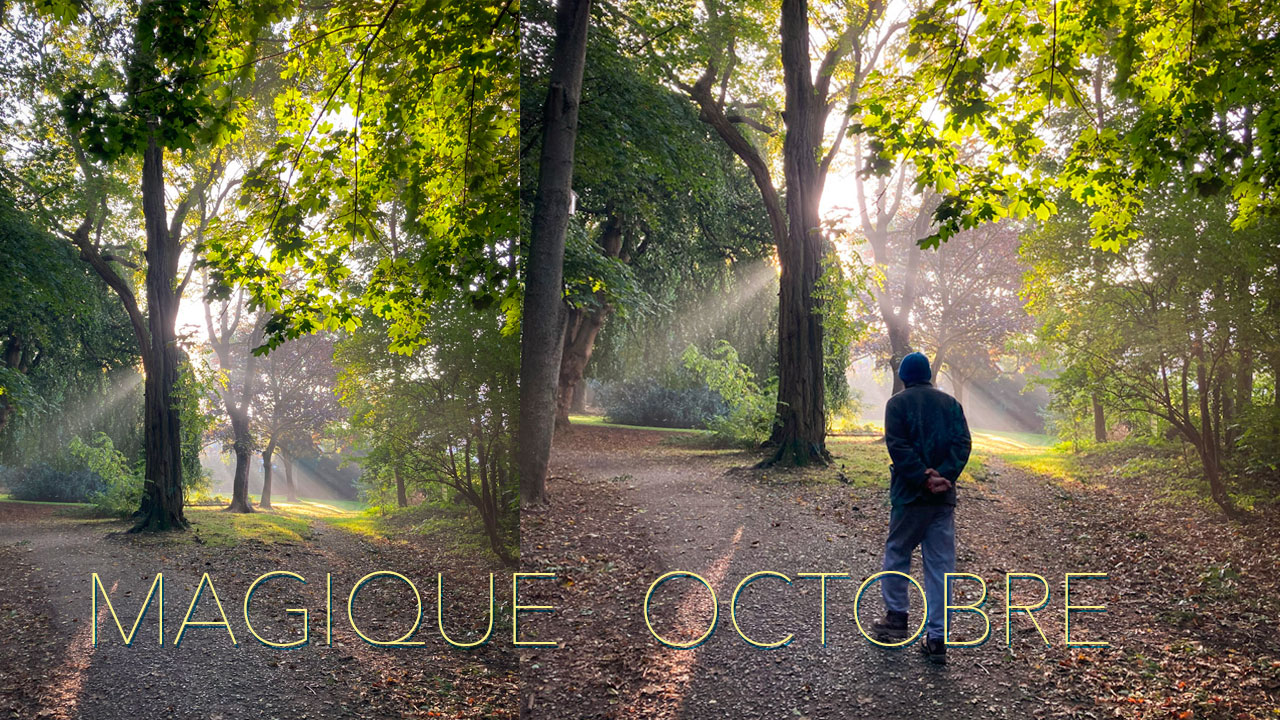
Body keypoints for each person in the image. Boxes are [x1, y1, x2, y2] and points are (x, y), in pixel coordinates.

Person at [871, 351, 971, 664]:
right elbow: (963, 443)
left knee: (898, 552)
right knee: (941, 567)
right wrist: (944, 475)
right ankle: (937, 639)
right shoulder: (951, 404)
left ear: (904, 377)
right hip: (942, 499)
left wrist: (922, 476)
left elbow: (897, 445)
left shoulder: (897, 404)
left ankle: (897, 618)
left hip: (909, 497)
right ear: (928, 375)